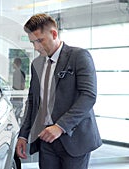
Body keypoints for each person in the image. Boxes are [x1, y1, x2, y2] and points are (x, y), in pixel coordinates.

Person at [15, 13, 102, 169]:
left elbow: (88, 96)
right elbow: (32, 101)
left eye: (40, 40)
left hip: (74, 138)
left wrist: (60, 126)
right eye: (33, 42)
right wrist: (23, 135)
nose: (36, 47)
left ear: (54, 34)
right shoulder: (36, 64)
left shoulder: (79, 56)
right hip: (46, 140)